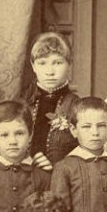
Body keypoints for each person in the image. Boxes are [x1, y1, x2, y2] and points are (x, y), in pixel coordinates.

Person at [21, 31, 78, 167]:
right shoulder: (22, 105)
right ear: (33, 66)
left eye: (57, 63)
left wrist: (56, 166)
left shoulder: (78, 106)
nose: (50, 71)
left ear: (69, 64)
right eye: (42, 63)